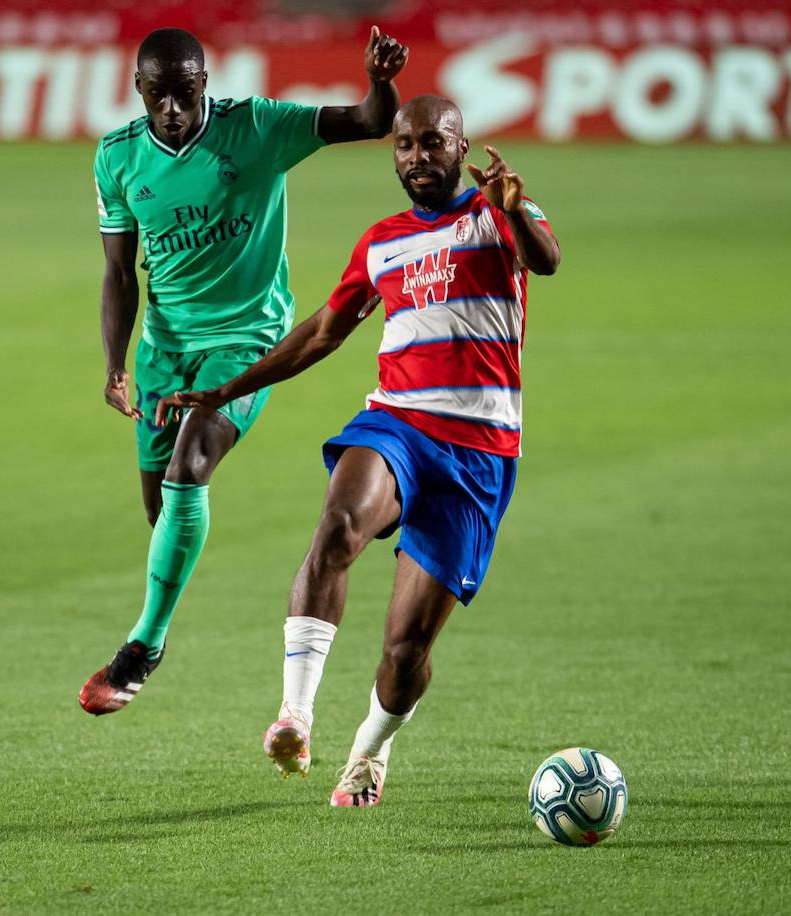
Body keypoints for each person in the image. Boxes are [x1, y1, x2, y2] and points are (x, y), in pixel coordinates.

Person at [155, 95, 560, 805]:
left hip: (479, 452)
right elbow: (321, 333)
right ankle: (296, 716)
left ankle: (369, 755)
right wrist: (225, 391)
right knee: (339, 525)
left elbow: (547, 261)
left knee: (406, 651)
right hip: (397, 422)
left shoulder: (497, 214)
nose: (416, 156)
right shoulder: (381, 241)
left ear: (462, 147)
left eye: (433, 142)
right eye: (403, 144)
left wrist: (517, 208)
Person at [80, 26, 410, 715]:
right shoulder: (116, 158)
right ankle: (160, 610)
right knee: (160, 508)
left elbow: (369, 121)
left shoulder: (258, 126)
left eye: (185, 91)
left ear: (205, 82)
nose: (171, 107)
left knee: (189, 466)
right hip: (164, 352)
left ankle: (144, 644)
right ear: (138, 90)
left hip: (247, 340)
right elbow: (118, 271)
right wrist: (116, 364)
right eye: (156, 94)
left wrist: (378, 81)